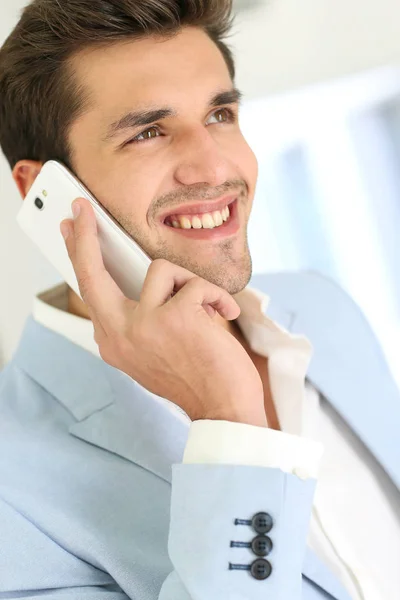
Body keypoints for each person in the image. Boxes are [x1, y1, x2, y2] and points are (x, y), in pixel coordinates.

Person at [0, 1, 399, 599]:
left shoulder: (320, 307)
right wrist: (231, 426)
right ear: (43, 191)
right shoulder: (12, 486)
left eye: (220, 113)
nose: (214, 164)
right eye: (147, 132)